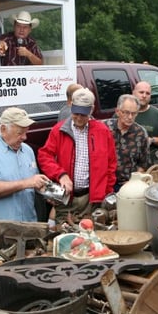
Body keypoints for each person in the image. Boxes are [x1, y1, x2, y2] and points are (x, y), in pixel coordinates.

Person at [37, 88, 117, 224]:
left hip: (92, 200)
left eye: (83, 114)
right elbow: (44, 156)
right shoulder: (59, 130)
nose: (79, 118)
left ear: (91, 110)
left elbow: (111, 165)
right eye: (76, 113)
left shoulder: (102, 131)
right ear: (71, 106)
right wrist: (61, 175)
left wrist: (105, 193)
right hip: (66, 198)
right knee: (64, 237)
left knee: (90, 238)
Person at [0, 107, 50, 250]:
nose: (24, 137)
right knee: (3, 271)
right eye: (20, 133)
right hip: (3, 233)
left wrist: (45, 192)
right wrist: (27, 183)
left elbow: (31, 185)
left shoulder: (27, 150)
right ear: (3, 129)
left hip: (29, 228)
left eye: (26, 132)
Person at [104, 94, 149, 191]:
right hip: (104, 182)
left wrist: (133, 182)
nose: (130, 117)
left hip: (127, 184)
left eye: (134, 113)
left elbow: (143, 164)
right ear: (117, 112)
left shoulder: (140, 133)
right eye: (126, 112)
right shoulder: (105, 128)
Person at [132, 81, 158, 163]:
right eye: (141, 92)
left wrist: (151, 140)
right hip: (127, 160)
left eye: (147, 93)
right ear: (133, 93)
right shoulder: (123, 113)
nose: (144, 96)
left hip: (151, 160)